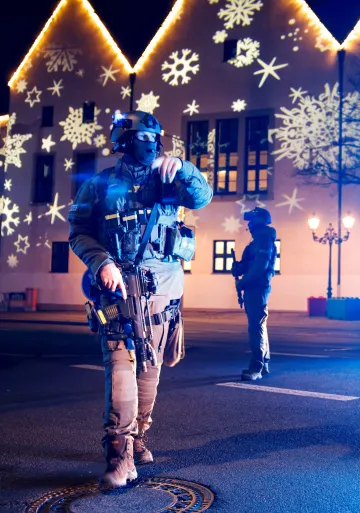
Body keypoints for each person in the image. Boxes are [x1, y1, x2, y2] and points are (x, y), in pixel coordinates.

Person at [68, 111, 212, 490]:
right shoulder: (99, 185)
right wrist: (101, 262)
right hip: (117, 290)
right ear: (122, 141)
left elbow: (202, 196)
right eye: (140, 138)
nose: (148, 145)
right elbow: (79, 231)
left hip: (162, 292)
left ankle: (138, 437)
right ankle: (120, 453)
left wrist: (181, 167)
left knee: (150, 370)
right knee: (120, 366)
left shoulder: (168, 177)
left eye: (153, 138)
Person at [232, 207, 277, 381]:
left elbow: (261, 267)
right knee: (259, 325)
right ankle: (264, 363)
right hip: (254, 286)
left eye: (251, 222)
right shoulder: (258, 241)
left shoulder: (264, 240)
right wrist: (239, 267)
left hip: (257, 287)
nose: (249, 226)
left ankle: (256, 366)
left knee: (256, 326)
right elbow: (250, 263)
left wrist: (243, 282)